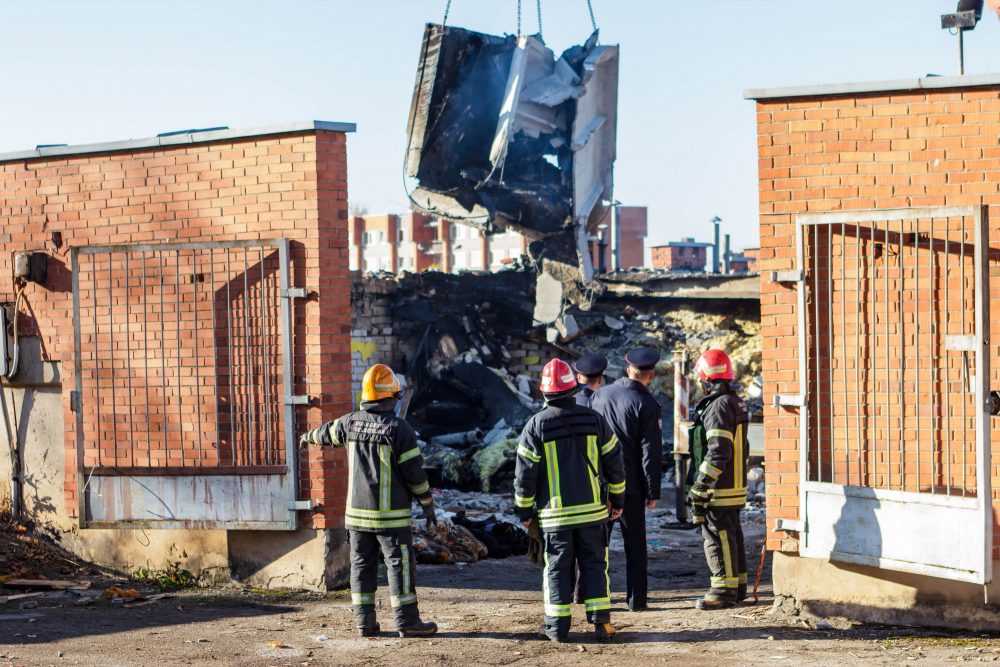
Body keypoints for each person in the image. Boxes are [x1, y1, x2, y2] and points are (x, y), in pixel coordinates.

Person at [299, 363, 438, 638]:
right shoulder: (400, 430)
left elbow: (324, 433)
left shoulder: (350, 422)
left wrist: (306, 437)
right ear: (389, 398)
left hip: (357, 517)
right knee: (399, 567)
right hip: (392, 518)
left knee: (361, 568)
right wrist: (427, 503)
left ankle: (365, 623)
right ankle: (407, 622)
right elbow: (415, 475)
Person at [514, 358, 626, 644]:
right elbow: (615, 462)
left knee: (557, 569)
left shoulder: (536, 425)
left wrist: (523, 510)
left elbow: (525, 474)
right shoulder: (594, 419)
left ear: (545, 392)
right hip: (592, 514)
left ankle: (557, 628)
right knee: (595, 565)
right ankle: (602, 623)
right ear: (573, 389)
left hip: (556, 517)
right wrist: (617, 498)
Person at [590, 346, 663, 611]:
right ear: (651, 375)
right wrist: (652, 491)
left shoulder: (600, 395)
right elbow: (650, 452)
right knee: (635, 544)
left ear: (627, 369)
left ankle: (595, 596)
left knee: (598, 544)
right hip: (630, 486)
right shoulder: (646, 404)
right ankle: (636, 600)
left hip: (600, 484)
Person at [688, 349, 750, 610]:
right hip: (733, 486)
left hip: (719, 488)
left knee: (717, 536)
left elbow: (718, 451)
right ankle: (737, 587)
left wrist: (701, 484)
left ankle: (722, 591)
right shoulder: (734, 401)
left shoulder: (718, 406)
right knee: (732, 535)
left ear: (706, 379)